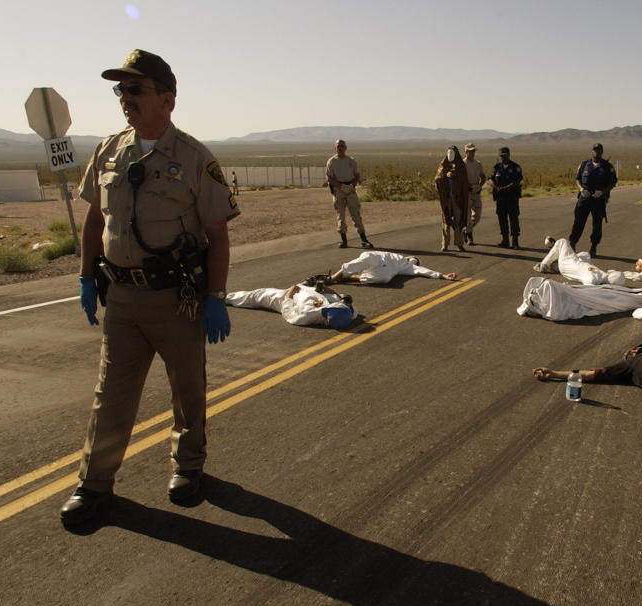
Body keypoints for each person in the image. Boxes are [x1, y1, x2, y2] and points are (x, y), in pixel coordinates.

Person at [61, 49, 240, 525]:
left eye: (134, 88)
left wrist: (215, 298)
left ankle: (188, 467)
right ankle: (94, 485)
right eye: (120, 89)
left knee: (187, 390)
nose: (125, 98)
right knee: (111, 393)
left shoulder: (196, 159)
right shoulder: (107, 150)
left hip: (175, 299)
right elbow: (95, 217)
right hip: (121, 298)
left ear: (167, 99)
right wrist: (85, 274)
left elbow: (218, 234)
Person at [517, 275, 642, 321]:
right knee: (613, 297)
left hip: (578, 293)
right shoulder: (549, 304)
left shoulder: (539, 296)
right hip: (581, 298)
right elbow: (557, 311)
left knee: (610, 292)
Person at [226, 282, 355, 328]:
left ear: (327, 319)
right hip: (312, 291)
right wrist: (326, 289)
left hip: (289, 297)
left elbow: (287, 311)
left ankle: (224, 298)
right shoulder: (349, 314)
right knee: (336, 297)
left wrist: (290, 293)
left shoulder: (306, 316)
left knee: (257, 295)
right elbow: (344, 300)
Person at [570, 143, 618, 257]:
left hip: (598, 199)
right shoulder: (584, 164)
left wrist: (602, 192)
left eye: (599, 150)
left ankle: (593, 247)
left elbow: (613, 182)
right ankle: (572, 244)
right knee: (578, 222)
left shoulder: (607, 166)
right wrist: (581, 189)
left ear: (602, 152)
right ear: (592, 151)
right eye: (595, 150)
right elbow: (577, 178)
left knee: (597, 224)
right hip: (584, 197)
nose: (596, 152)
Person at [325, 139, 373, 249]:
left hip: (350, 190)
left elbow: (357, 175)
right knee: (340, 216)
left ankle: (364, 239)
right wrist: (340, 186)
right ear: (335, 148)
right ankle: (344, 240)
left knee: (356, 214)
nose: (340, 148)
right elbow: (329, 177)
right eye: (338, 146)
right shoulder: (331, 162)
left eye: (342, 146)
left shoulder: (351, 161)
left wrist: (351, 186)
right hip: (338, 190)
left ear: (345, 148)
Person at [310, 250, 457, 285]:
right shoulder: (405, 263)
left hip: (384, 269)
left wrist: (442, 275)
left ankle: (341, 277)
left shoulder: (407, 266)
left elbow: (423, 271)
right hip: (378, 259)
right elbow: (423, 271)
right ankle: (334, 278)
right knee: (364, 261)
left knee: (383, 277)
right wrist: (442, 275)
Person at [533, 236, 625, 285]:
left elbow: (587, 289)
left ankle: (544, 265)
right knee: (585, 254)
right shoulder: (601, 276)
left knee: (562, 241)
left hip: (568, 263)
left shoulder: (593, 279)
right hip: (574, 264)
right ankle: (555, 262)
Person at [434, 145, 469, 252]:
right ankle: (445, 244)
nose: (450, 155)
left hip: (457, 199)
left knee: (458, 221)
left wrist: (456, 175)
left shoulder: (461, 166)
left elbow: (464, 182)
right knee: (446, 221)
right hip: (446, 199)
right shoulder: (443, 165)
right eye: (449, 153)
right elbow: (437, 179)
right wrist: (445, 175)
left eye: (452, 153)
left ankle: (459, 243)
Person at [490, 146, 523, 249]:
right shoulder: (497, 167)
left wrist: (503, 188)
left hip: (512, 197)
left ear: (509, 155)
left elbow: (517, 182)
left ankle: (515, 241)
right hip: (500, 198)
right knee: (502, 218)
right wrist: (494, 186)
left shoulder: (515, 167)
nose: (503, 158)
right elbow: (491, 178)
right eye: (501, 156)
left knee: (513, 218)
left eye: (505, 156)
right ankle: (505, 240)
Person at [462, 143, 485, 245]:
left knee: (477, 215)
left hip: (476, 191)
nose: (472, 153)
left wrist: (479, 186)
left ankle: (465, 230)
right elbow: (460, 179)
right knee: (467, 215)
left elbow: (483, 177)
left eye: (473, 151)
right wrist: (468, 187)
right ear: (466, 152)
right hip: (466, 192)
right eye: (470, 151)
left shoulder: (478, 164)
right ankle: (470, 236)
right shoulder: (462, 164)